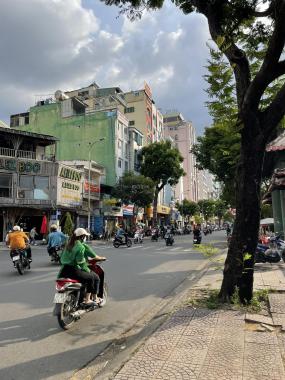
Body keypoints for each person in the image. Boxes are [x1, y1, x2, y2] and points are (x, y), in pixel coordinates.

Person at [58, 228, 106, 306]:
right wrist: (88, 270)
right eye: (85, 236)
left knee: (87, 277)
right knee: (94, 277)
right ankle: (87, 300)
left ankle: (81, 298)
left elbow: (61, 258)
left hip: (63, 270)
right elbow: (81, 263)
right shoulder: (80, 247)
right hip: (73, 270)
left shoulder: (68, 244)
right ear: (82, 237)